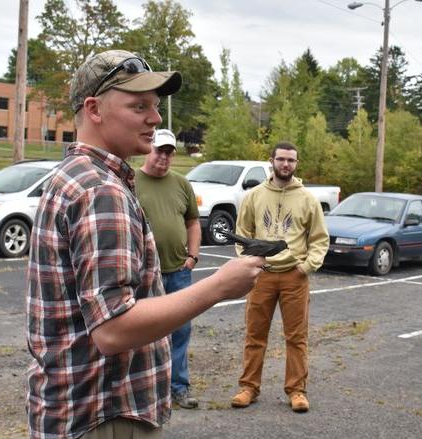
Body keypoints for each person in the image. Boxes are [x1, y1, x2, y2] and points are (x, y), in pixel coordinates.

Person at [25, 49, 264, 439]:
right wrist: (220, 285)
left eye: (155, 106)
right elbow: (113, 330)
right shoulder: (101, 191)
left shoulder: (74, 176)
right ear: (94, 109)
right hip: (106, 414)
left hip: (77, 410)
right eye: (139, 106)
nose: (155, 118)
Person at [230, 142, 330, 413]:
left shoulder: (307, 199)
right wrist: (251, 262)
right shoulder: (254, 196)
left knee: (296, 337)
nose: (286, 164)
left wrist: (307, 266)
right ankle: (248, 387)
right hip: (262, 277)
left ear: (296, 164)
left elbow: (320, 239)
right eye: (281, 159)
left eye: (291, 161)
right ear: (271, 161)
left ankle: (297, 391)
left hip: (294, 277)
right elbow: (243, 233)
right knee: (255, 334)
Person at [135, 128, 201, 409]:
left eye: (169, 152)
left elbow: (193, 223)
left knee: (180, 330)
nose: (164, 156)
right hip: (144, 274)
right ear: (149, 148)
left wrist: (193, 257)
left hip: (178, 271)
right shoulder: (130, 180)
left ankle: (178, 388)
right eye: (160, 149)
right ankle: (145, 389)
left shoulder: (182, 183)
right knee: (143, 332)